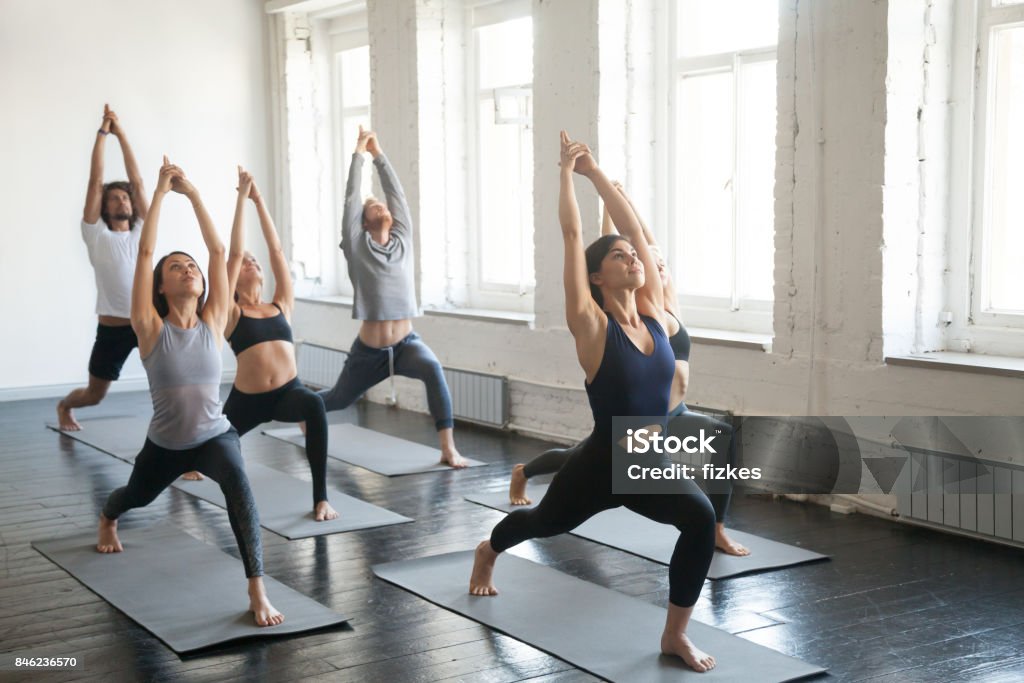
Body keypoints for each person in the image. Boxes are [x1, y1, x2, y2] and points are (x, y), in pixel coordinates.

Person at [469, 132, 717, 673]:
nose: (634, 256)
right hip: (602, 463)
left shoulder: (656, 314)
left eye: (636, 255)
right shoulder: (592, 327)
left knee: (698, 518)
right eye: (621, 257)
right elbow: (572, 233)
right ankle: (489, 550)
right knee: (543, 524)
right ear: (598, 276)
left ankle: (674, 635)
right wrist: (565, 175)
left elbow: (630, 227)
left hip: (646, 461)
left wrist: (597, 174)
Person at [508, 182, 749, 556]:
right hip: (631, 428)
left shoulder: (667, 311)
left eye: (653, 260)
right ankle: (523, 475)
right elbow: (609, 246)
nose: (653, 264)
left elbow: (634, 239)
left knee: (720, 438)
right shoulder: (638, 309)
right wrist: (601, 195)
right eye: (642, 260)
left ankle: (716, 526)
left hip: (671, 417)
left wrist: (619, 199)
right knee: (571, 466)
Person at [96, 157, 283, 627]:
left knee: (240, 488)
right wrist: (158, 193)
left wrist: (194, 194)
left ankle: (257, 589)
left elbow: (220, 253)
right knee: (135, 497)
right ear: (160, 286)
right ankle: (107, 516)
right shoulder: (148, 328)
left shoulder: (214, 322)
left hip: (214, 436)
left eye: (191, 268)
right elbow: (143, 253)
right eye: (176, 268)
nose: (189, 271)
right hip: (164, 446)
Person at [182, 167, 337, 522]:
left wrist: (259, 200)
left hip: (288, 393)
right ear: (235, 281)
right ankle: (188, 462)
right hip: (248, 400)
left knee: (314, 403)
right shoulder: (232, 312)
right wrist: (240, 199)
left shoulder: (280, 304)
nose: (252, 262)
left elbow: (277, 250)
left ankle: (321, 499)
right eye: (246, 263)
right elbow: (232, 255)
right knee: (212, 439)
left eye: (256, 261)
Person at [318, 126, 465, 468]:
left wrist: (378, 152)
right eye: (373, 207)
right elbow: (352, 198)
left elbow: (395, 192)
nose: (381, 206)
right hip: (369, 352)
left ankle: (448, 448)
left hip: (406, 345)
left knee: (433, 369)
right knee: (339, 399)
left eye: (382, 205)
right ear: (364, 223)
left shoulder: (403, 240)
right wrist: (358, 152)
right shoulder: (356, 245)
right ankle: (304, 411)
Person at [58, 105, 149, 431]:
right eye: (113, 199)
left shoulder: (142, 233)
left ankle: (181, 445)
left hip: (147, 321)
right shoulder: (95, 235)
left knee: (170, 384)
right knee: (95, 395)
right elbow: (95, 181)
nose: (122, 201)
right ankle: (65, 405)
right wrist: (103, 134)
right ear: (104, 207)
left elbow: (137, 182)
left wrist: (122, 134)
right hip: (112, 327)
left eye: (124, 198)